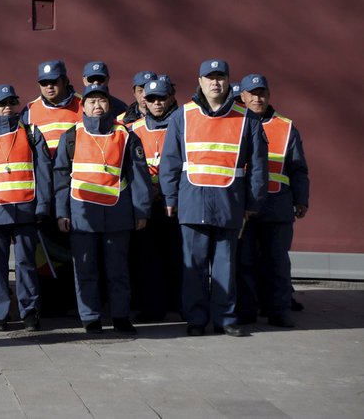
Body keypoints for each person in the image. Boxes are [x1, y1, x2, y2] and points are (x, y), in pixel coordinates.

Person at [159, 59, 268, 337]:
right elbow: (170, 161)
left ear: (228, 81)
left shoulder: (248, 119)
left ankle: (225, 320)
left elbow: (258, 166)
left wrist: (253, 203)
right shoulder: (182, 116)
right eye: (210, 77)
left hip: (230, 202)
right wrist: (170, 197)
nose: (215, 82)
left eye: (220, 77)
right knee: (193, 266)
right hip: (192, 201)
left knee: (225, 266)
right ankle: (196, 320)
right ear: (200, 81)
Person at [53, 83, 152, 334]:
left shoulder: (126, 135)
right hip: (81, 216)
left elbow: (138, 175)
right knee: (86, 270)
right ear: (83, 106)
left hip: (117, 215)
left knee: (118, 269)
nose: (98, 106)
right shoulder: (72, 136)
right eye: (92, 101)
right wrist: (61, 212)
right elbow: (61, 176)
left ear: (109, 104)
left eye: (102, 101)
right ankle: (90, 318)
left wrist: (141, 210)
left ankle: (120, 316)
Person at [236, 74, 309, 328]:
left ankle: (278, 310)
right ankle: (247, 310)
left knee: (277, 261)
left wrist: (302, 199)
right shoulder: (235, 123)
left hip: (277, 204)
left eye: (262, 93)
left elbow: (298, 168)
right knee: (245, 261)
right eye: (252, 94)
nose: (258, 98)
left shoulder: (286, 126)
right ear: (242, 97)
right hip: (245, 205)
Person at [0, 84, 53, 331]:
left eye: (12, 103)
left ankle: (30, 312)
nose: (7, 108)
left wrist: (43, 205)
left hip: (25, 209)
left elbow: (44, 172)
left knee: (26, 264)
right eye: (2, 104)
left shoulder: (32, 132)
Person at [22, 59, 82, 316]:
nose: (49, 87)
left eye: (53, 82)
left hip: (78, 187)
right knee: (46, 250)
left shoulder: (83, 104)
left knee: (77, 249)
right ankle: (51, 303)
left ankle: (77, 302)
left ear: (65, 81)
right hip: (46, 189)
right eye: (44, 83)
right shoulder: (30, 110)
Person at [128, 77, 183, 322]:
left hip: (178, 203)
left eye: (161, 98)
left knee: (180, 257)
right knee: (147, 259)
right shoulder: (134, 129)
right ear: (144, 101)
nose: (157, 103)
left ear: (171, 97)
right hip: (148, 205)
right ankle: (152, 307)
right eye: (151, 99)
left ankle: (181, 303)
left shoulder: (183, 124)